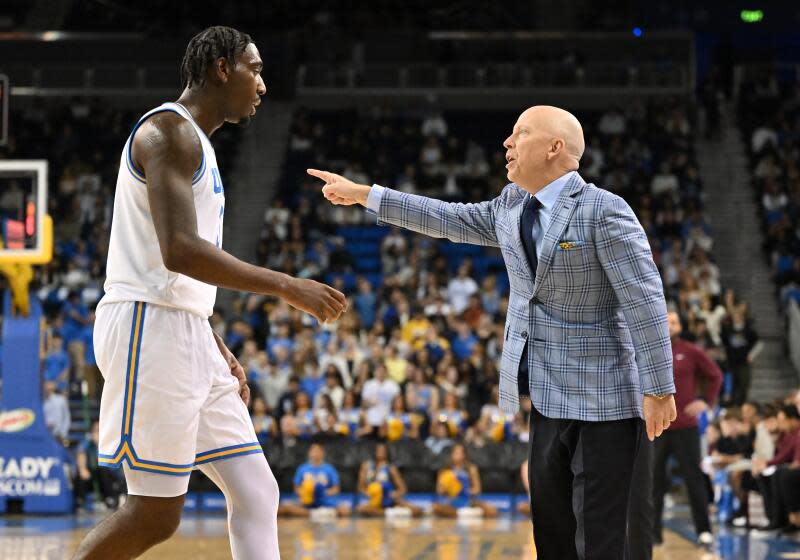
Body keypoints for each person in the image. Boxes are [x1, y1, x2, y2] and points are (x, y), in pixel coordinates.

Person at [310, 104, 676, 559]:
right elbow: (444, 217)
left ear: (554, 148)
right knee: (553, 538)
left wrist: (660, 388)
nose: (507, 143)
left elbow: (645, 299)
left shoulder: (605, 211)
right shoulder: (511, 206)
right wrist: (367, 194)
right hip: (546, 399)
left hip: (609, 402)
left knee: (607, 542)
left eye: (520, 134)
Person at [72, 26, 346, 560]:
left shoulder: (198, 144)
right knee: (153, 515)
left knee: (255, 490)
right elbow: (178, 250)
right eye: (256, 69)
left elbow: (178, 270)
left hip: (184, 328)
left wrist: (212, 341)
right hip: (146, 330)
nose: (263, 85)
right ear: (222, 68)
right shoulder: (167, 134)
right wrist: (287, 285)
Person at [652, 312, 723, 547]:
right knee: (654, 482)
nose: (670, 324)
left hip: (686, 426)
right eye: (667, 320)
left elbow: (715, 375)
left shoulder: (691, 351)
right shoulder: (651, 348)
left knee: (694, 479)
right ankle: (653, 534)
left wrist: (705, 401)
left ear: (680, 326)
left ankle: (704, 529)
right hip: (657, 426)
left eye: (675, 321)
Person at [278, 443, 350, 518]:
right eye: (313, 451)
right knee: (285, 509)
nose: (316, 453)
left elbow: (336, 489)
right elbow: (296, 488)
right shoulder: (302, 468)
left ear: (323, 453)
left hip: (324, 499)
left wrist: (323, 492)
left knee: (345, 511)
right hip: (307, 499)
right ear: (309, 453)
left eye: (318, 451)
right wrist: (307, 492)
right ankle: (317, 514)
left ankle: (316, 513)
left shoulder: (330, 469)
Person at [356, 443, 423, 517]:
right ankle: (390, 513)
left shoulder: (391, 468)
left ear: (387, 452)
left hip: (387, 499)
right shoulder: (366, 466)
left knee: (417, 511)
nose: (380, 452)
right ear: (374, 451)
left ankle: (386, 512)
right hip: (372, 499)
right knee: (360, 509)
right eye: (378, 450)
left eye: (382, 450)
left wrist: (394, 494)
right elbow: (360, 487)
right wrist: (367, 494)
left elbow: (403, 488)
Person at [432, 443, 497, 518]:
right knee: (436, 508)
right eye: (456, 453)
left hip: (468, 500)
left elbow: (477, 489)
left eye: (460, 453)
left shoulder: (471, 469)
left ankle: (462, 513)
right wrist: (449, 488)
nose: (458, 455)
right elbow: (439, 491)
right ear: (451, 455)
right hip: (451, 501)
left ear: (464, 455)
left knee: (492, 510)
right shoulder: (444, 470)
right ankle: (465, 513)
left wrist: (465, 490)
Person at [75, 421, 121, 511]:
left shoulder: (109, 442)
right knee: (80, 474)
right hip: (91, 474)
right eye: (96, 430)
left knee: (104, 471)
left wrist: (98, 445)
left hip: (106, 475)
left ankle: (109, 499)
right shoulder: (87, 442)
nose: (98, 433)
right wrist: (82, 469)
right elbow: (81, 453)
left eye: (99, 430)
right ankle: (80, 502)